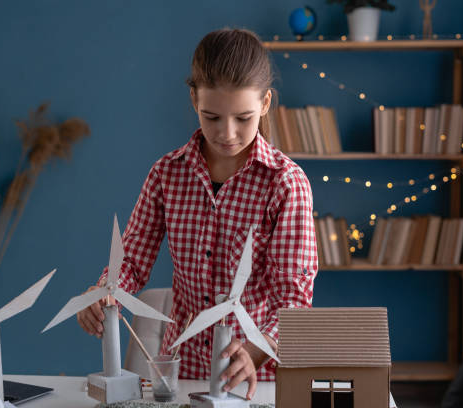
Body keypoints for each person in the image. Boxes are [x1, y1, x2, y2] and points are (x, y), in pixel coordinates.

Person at [77, 28, 317, 400]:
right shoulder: (166, 174)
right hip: (181, 373)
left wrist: (254, 351)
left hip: (257, 380)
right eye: (212, 117)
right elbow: (132, 262)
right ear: (193, 100)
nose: (228, 133)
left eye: (243, 118)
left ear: (266, 103)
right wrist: (103, 293)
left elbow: (294, 300)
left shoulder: (286, 183)